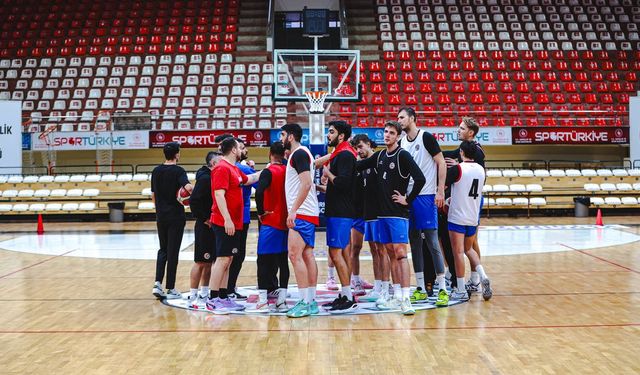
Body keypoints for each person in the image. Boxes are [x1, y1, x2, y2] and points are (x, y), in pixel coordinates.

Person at [356, 121, 426, 315]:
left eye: (391, 133)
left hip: (397, 214)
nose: (387, 135)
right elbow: (358, 165)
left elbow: (420, 178)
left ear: (398, 136)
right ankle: (396, 296)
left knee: (401, 254)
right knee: (391, 255)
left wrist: (408, 199)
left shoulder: (402, 155)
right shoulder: (379, 156)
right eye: (386, 132)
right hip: (381, 214)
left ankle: (406, 299)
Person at [397, 107, 449, 307]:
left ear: (412, 118)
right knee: (415, 242)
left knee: (433, 243)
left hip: (426, 195)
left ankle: (442, 288)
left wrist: (440, 191)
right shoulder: (402, 142)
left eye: (402, 117)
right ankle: (420, 288)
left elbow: (441, 162)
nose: (399, 120)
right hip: (408, 198)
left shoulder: (426, 137)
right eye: (398, 118)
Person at [205, 137, 261, 314]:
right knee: (222, 259)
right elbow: (219, 195)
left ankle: (223, 296)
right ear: (234, 150)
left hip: (234, 222)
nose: (241, 149)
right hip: (224, 222)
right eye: (239, 147)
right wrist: (227, 219)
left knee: (228, 259)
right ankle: (212, 299)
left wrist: (270, 169)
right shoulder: (221, 167)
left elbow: (249, 179)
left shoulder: (234, 169)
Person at [280, 123, 321, 318]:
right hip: (307, 212)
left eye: (282, 135)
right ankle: (311, 301)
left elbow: (306, 183)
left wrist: (293, 210)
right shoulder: (302, 154)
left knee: (294, 255)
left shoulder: (299, 154)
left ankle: (305, 301)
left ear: (290, 137)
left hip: (302, 212)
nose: (280, 138)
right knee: (306, 255)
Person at [442, 117, 486, 294]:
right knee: (466, 243)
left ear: (471, 133)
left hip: (471, 198)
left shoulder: (478, 151)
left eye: (461, 128)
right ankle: (455, 274)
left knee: (470, 243)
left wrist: (458, 166)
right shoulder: (463, 149)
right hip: (466, 197)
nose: (458, 130)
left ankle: (474, 279)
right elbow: (447, 153)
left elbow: (480, 177)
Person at [445, 141, 492, 302]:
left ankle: (460, 289)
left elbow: (445, 184)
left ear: (462, 153)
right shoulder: (481, 170)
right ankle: (483, 275)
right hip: (473, 216)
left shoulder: (457, 169)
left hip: (458, 216)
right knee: (469, 249)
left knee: (457, 253)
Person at [322, 120, 359, 313]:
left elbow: (343, 183)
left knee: (336, 253)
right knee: (342, 253)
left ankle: (348, 296)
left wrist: (328, 173)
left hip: (341, 212)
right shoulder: (342, 153)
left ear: (341, 136)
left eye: (331, 132)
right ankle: (346, 294)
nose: (328, 135)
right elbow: (340, 186)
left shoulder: (344, 154)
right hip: (340, 210)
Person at [151, 142, 193, 300]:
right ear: (177, 154)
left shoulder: (156, 171)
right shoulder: (178, 170)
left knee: (163, 250)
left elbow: (153, 194)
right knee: (173, 252)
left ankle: (157, 283)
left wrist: (159, 210)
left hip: (161, 216)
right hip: (176, 216)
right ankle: (171, 287)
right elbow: (188, 188)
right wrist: (196, 191)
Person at [351, 134, 389, 302]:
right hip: (369, 213)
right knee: (375, 251)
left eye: (361, 147)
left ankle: (386, 289)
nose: (359, 151)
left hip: (381, 213)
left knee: (383, 251)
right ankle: (378, 286)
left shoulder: (380, 159)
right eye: (356, 148)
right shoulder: (364, 164)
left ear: (368, 144)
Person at [253, 141, 289, 312]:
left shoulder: (268, 171)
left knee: (263, 261)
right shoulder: (289, 171)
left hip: (270, 221)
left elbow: (259, 192)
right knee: (283, 261)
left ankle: (262, 300)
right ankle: (281, 299)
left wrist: (260, 212)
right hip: (285, 222)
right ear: (284, 155)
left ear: (270, 154)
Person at [186, 151, 221, 308]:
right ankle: (192, 294)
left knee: (209, 262)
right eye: (220, 161)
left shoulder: (212, 176)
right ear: (213, 163)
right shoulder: (205, 178)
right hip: (204, 225)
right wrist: (204, 218)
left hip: (212, 224)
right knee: (200, 262)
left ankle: (204, 292)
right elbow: (194, 201)